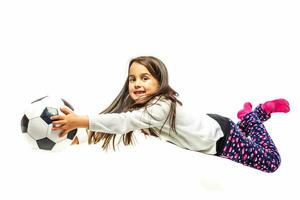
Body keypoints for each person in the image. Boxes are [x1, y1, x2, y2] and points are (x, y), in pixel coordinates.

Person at [51, 56, 290, 173]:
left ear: (160, 81)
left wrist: (78, 120)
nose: (137, 83)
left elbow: (121, 123)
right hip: (218, 127)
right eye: (132, 78)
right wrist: (77, 137)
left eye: (145, 78)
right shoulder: (146, 110)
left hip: (223, 140)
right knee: (243, 136)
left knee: (272, 163)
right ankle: (247, 119)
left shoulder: (161, 107)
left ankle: (255, 115)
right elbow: (114, 126)